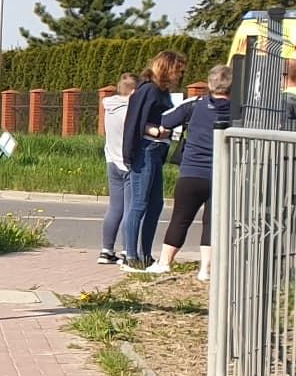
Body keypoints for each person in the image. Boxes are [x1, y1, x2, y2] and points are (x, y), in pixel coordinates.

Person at [141, 64, 232, 277]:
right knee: (212, 221)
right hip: (223, 173)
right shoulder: (240, 108)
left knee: (180, 218)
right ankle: (206, 269)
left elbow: (166, 119)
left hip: (192, 171)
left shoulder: (195, 104)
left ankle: (165, 262)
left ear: (210, 83)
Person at [117, 51, 185, 266]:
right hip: (146, 149)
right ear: (167, 68)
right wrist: (154, 131)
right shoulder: (148, 90)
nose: (180, 75)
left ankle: (145, 254)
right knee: (139, 203)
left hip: (158, 150)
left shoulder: (162, 92)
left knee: (155, 204)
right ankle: (131, 255)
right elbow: (135, 121)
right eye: (178, 70)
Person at [97, 73, 137, 266]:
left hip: (111, 160)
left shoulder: (109, 107)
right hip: (128, 162)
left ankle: (106, 250)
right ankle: (127, 250)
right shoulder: (129, 110)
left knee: (115, 207)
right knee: (130, 208)